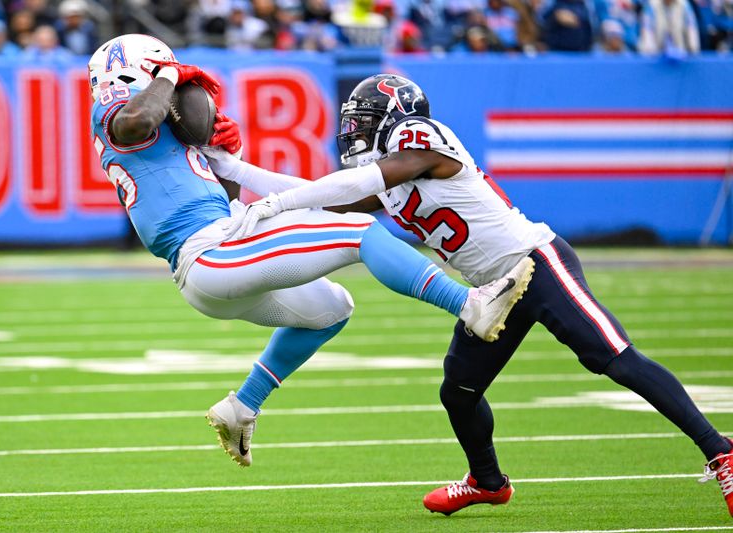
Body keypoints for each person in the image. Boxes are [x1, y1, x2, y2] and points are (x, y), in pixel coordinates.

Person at [202, 73, 733, 516]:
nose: (352, 131)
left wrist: (277, 202)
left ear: (395, 117)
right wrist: (232, 169)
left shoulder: (420, 140)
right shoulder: (384, 178)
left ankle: (721, 453)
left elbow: (331, 190)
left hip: (535, 263)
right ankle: (487, 482)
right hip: (490, 291)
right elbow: (326, 200)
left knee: (611, 356)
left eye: (363, 120)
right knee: (458, 391)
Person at [87, 36, 535, 467]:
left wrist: (227, 153)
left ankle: (242, 406)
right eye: (164, 73)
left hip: (215, 258)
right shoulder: (114, 109)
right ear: (135, 72)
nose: (178, 87)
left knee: (330, 309)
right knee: (360, 231)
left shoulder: (157, 130)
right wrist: (166, 77)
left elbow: (217, 191)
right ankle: (469, 304)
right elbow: (136, 122)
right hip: (210, 252)